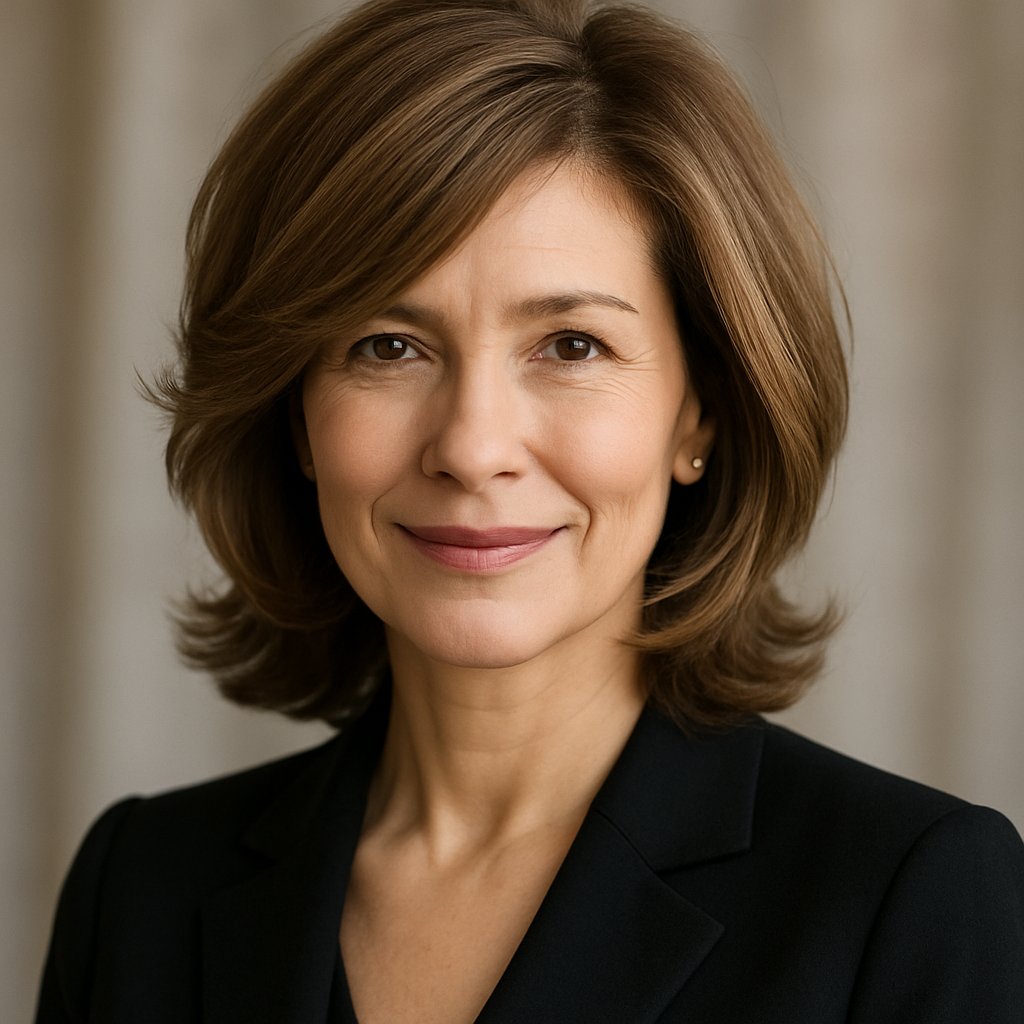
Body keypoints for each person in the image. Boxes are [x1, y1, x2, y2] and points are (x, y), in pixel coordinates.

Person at [35, 0, 1024, 1021]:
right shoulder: (140, 886)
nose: (471, 447)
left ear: (702, 412)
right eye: (386, 345)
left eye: (570, 345)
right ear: (292, 411)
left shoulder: (906, 897)